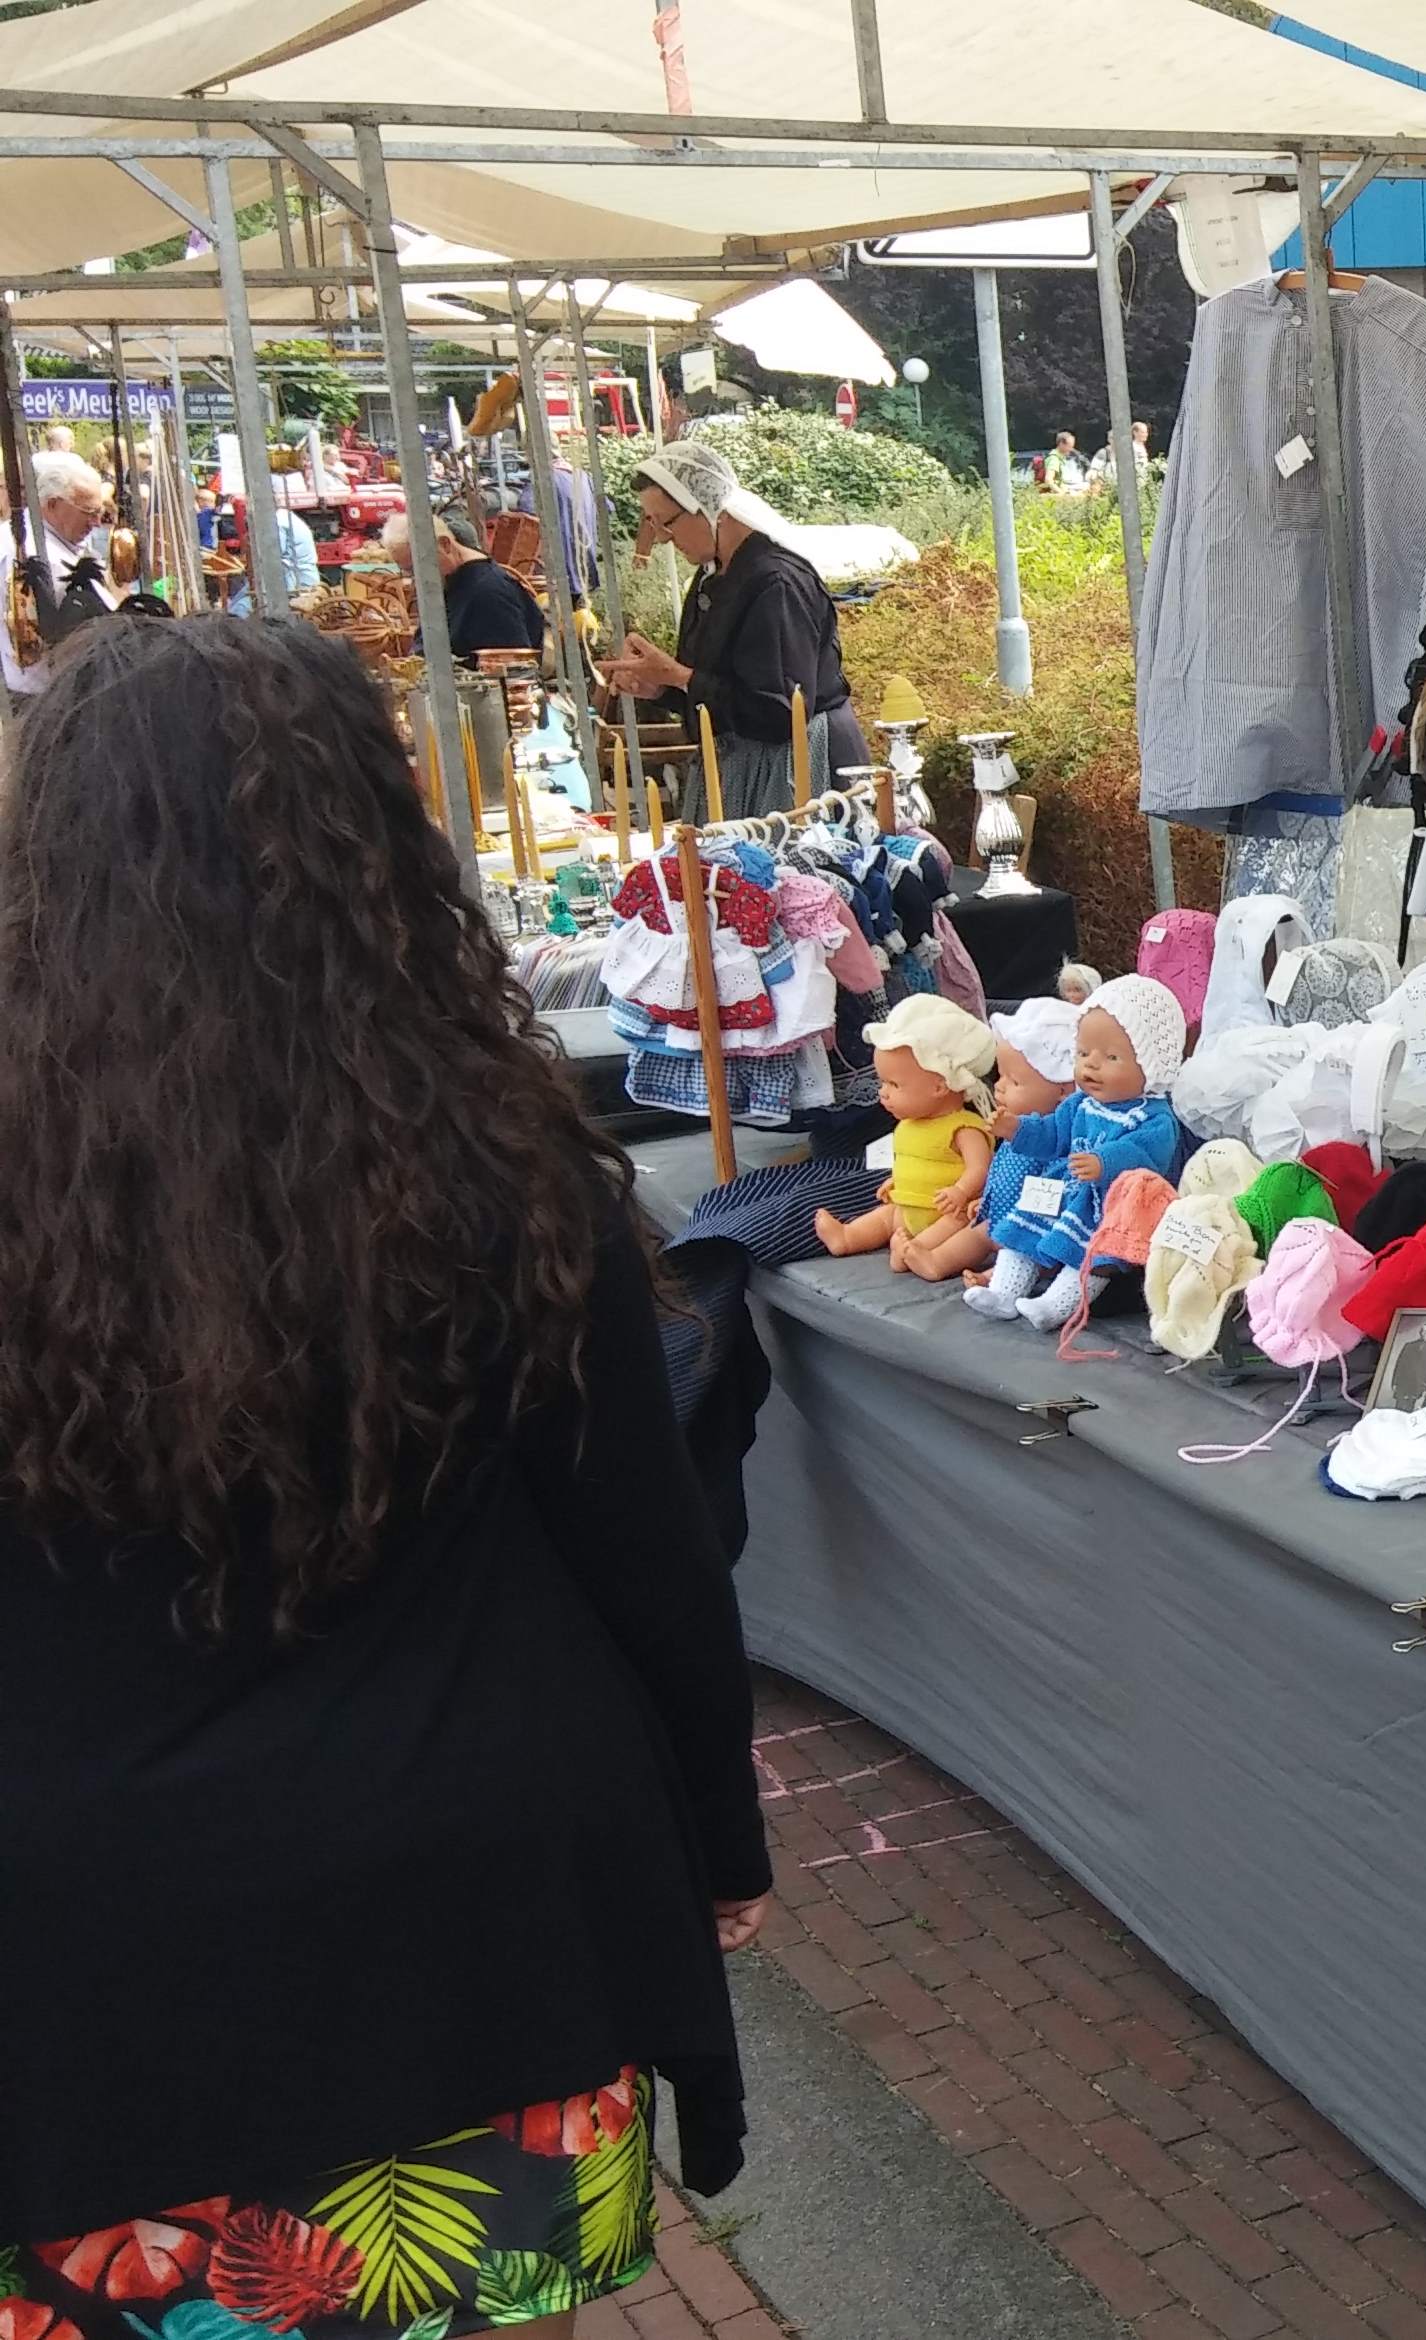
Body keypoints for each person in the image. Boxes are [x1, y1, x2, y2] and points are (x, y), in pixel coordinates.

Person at [0, 617, 772, 2336]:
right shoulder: (494, 1160)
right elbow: (647, 1555)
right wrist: (716, 1840)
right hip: (475, 1924)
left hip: (88, 1968)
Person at [594, 439, 861, 816]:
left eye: (667, 522)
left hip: (798, 770)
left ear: (710, 509)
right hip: (745, 767)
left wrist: (681, 677)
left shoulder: (776, 583)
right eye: (652, 524)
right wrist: (662, 686)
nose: (663, 537)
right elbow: (721, 686)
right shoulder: (713, 575)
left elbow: (781, 711)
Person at [7, 448, 124, 692]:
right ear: (52, 504)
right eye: (88, 512)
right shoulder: (34, 553)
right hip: (49, 691)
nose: (96, 522)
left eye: (98, 512)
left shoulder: (60, 536)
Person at [388, 506, 549, 658]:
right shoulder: (450, 583)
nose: (414, 579)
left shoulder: (489, 593)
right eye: (407, 571)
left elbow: (513, 666)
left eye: (415, 569)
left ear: (445, 545)